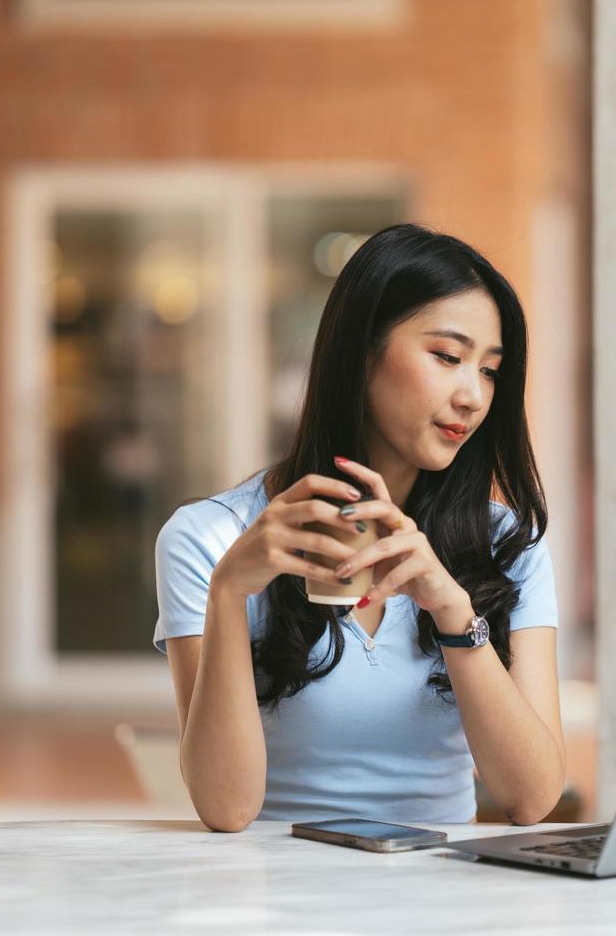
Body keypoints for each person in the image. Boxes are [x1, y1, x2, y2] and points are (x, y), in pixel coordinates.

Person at [154, 223, 564, 832]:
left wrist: (454, 613)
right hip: (277, 902)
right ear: (361, 351)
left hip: (445, 902)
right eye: (448, 357)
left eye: (490, 371)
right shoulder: (208, 539)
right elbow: (226, 808)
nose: (473, 396)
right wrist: (229, 592)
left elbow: (531, 799)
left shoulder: (505, 544)